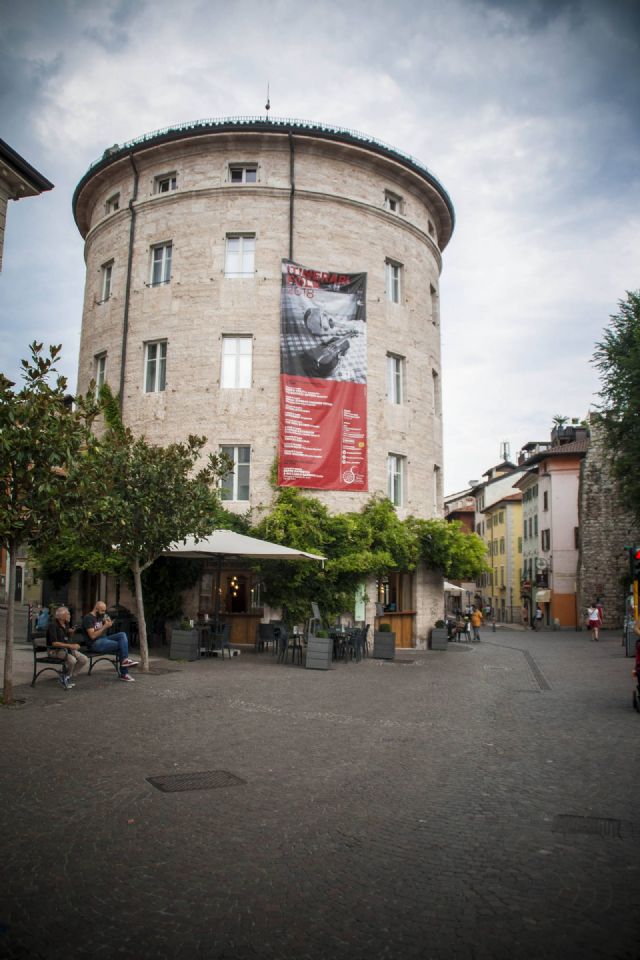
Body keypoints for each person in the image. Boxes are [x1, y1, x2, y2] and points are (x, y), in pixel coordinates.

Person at [81, 600, 138, 682]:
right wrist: (104, 627)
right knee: (121, 645)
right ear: (96, 609)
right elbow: (92, 636)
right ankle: (124, 673)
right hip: (94, 644)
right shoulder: (88, 618)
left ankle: (124, 661)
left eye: (104, 610)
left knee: (122, 635)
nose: (104, 612)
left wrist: (108, 624)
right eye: (102, 610)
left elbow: (102, 629)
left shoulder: (99, 616)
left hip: (103, 639)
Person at [46, 606, 89, 690]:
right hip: (55, 651)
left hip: (66, 649)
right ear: (61, 616)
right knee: (72, 660)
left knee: (84, 659)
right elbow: (54, 643)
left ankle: (66, 676)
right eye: (68, 614)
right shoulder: (53, 625)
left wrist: (71, 633)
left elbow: (66, 639)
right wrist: (71, 646)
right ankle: (65, 677)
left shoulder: (65, 624)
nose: (69, 615)